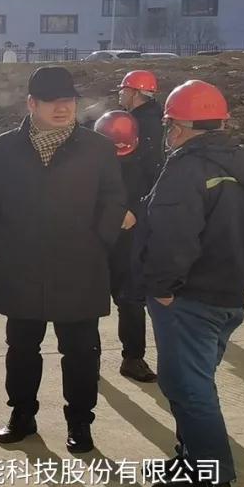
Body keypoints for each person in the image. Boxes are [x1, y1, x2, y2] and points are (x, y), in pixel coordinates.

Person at [0, 66, 127, 454]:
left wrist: (98, 244)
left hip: (80, 267)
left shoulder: (97, 148)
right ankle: (22, 414)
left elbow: (113, 200)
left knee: (81, 352)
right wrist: (0, 247)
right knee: (21, 348)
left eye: (68, 101)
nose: (62, 108)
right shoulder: (3, 148)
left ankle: (80, 422)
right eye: (51, 101)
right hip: (21, 266)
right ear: (31, 104)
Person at [138, 80, 244, 487]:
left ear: (179, 126)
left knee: (189, 388)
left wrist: (161, 288)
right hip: (228, 294)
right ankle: (190, 459)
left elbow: (174, 238)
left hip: (190, 298)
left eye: (169, 125)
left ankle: (211, 477)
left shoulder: (186, 169)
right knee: (192, 382)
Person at [94, 107, 157, 383]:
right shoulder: (87, 162)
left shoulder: (146, 161)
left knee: (131, 301)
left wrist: (137, 212)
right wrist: (110, 214)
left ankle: (133, 358)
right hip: (94, 243)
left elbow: (154, 194)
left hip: (129, 243)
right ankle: (87, 359)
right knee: (89, 304)